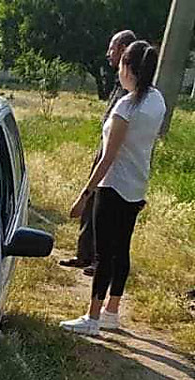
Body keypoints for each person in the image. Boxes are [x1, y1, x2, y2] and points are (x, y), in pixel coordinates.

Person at [61, 41, 164, 336]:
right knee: (122, 250)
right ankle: (112, 311)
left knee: (104, 254)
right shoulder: (157, 101)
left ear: (129, 70)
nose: (118, 70)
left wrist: (84, 196)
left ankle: (92, 317)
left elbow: (108, 158)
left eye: (121, 65)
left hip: (113, 186)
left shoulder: (126, 106)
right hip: (137, 185)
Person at [60, 29, 137, 273]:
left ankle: (100, 260)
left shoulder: (132, 89)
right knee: (91, 204)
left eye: (113, 48)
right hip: (103, 149)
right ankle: (84, 255)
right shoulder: (119, 82)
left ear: (125, 49)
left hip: (116, 157)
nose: (108, 54)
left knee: (106, 210)